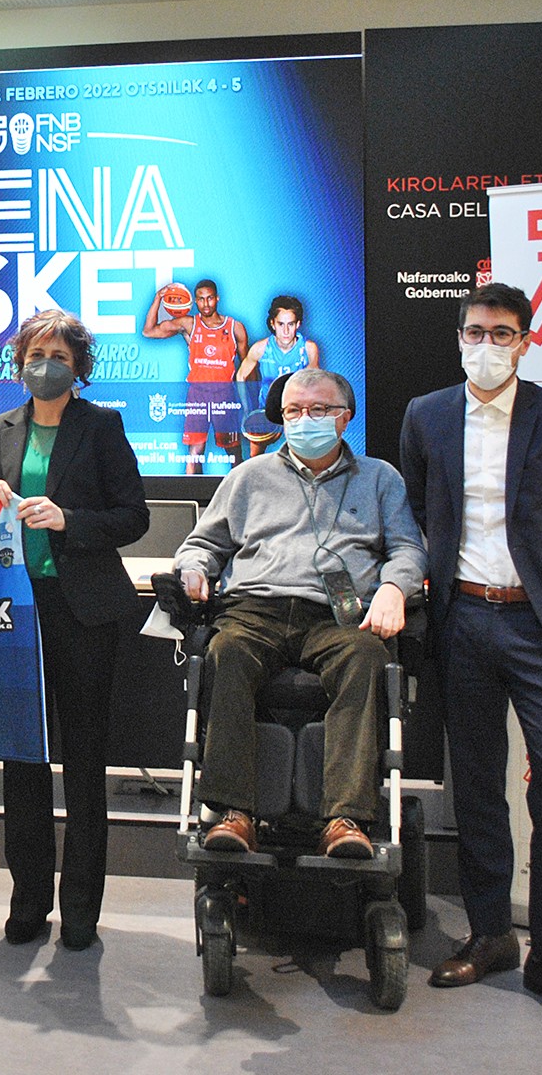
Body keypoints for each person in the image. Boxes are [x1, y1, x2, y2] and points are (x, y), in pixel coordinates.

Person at [400, 282, 542, 1026]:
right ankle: (491, 932)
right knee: (479, 785)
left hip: (541, 628)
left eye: (501, 333)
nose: (485, 345)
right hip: (464, 625)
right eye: (474, 332)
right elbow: (423, 512)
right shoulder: (426, 416)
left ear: (526, 339)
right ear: (459, 336)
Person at [173, 368, 424, 861]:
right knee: (224, 652)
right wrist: (194, 570)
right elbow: (201, 544)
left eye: (318, 410)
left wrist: (395, 587)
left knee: (366, 658)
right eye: (293, 411)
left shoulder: (379, 478)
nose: (303, 420)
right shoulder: (248, 476)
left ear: (344, 418)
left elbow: (408, 548)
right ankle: (231, 813)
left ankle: (345, 818)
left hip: (340, 615)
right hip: (256, 609)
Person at [0, 310, 149, 951]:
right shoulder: (1, 428)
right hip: (14, 609)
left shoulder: (101, 426)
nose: (42, 363)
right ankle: (28, 902)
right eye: (33, 352)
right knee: (21, 758)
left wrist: (68, 520)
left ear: (79, 365)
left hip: (84, 611)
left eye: (57, 353)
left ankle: (80, 908)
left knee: (82, 764)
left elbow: (132, 516)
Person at [145, 279, 248, 473]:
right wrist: (158, 298)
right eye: (201, 299)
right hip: (198, 395)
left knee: (234, 453)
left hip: (224, 395)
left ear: (217, 299)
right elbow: (149, 331)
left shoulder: (235, 327)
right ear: (195, 302)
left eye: (209, 298)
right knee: (194, 452)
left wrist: (250, 401)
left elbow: (248, 367)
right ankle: (194, 499)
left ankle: (240, 498)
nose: (205, 304)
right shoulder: (189, 324)